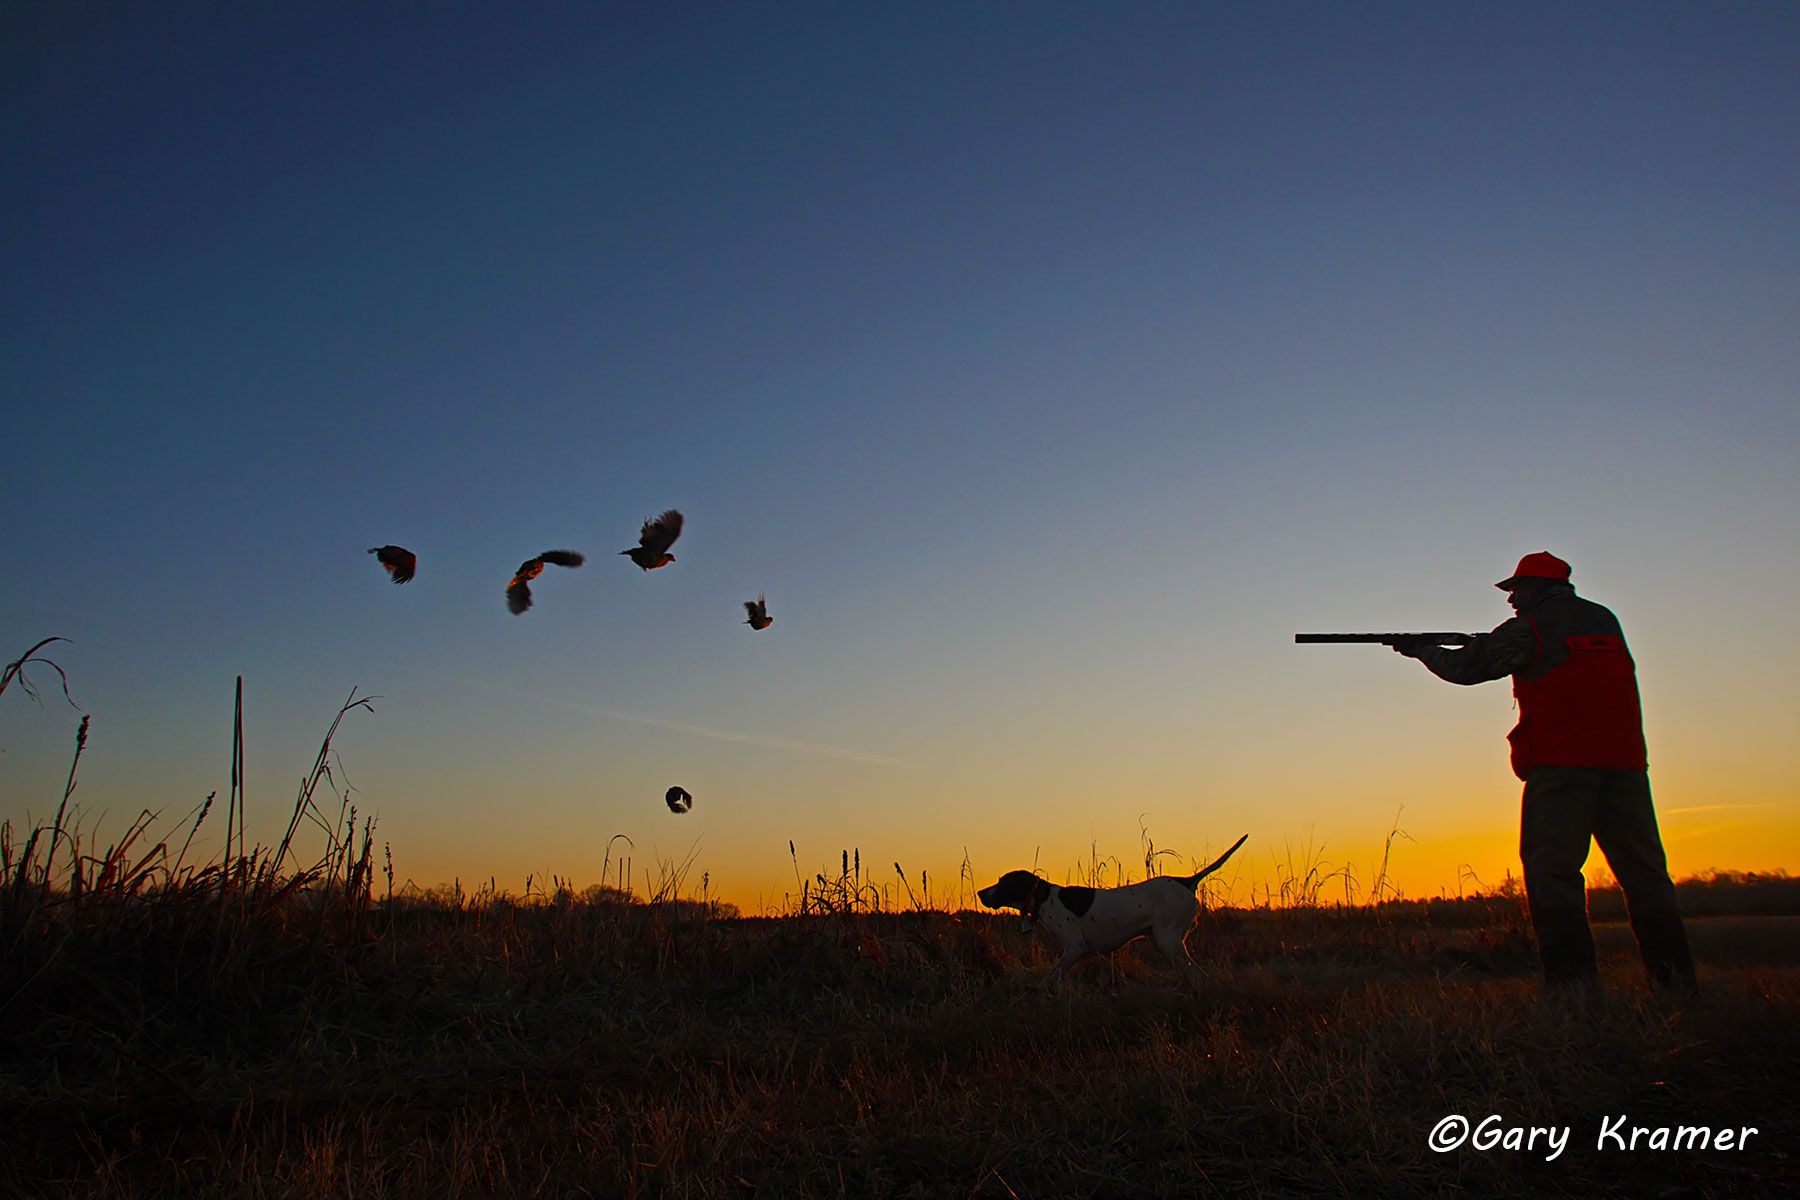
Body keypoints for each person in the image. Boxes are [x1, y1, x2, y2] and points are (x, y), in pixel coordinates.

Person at [1394, 551, 1697, 998]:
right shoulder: (1604, 619)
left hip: (1562, 768)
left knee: (1553, 874)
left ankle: (1573, 988)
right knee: (1646, 877)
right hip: (1625, 766)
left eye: (1517, 589)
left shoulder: (1531, 627)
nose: (1512, 599)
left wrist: (1422, 651)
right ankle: (1676, 985)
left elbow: (1467, 669)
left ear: (1539, 588)